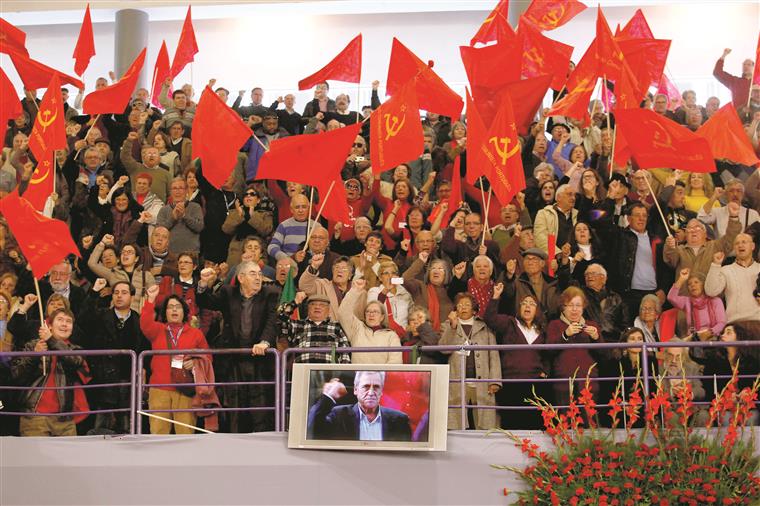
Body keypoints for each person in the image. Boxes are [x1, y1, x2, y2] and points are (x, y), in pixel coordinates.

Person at [196, 261, 280, 432]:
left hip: (259, 361)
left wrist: (265, 342)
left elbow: (272, 322)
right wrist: (203, 283)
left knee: (260, 411)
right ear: (241, 278)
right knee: (235, 410)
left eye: (259, 274)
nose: (258, 278)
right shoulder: (228, 292)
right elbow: (206, 302)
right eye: (252, 274)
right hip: (233, 362)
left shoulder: (270, 294)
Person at [79, 279, 149, 434]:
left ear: (132, 296)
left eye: (124, 293)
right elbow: (83, 318)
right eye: (116, 292)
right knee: (101, 430)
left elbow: (145, 348)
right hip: (104, 381)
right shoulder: (101, 316)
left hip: (128, 380)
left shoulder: (140, 321)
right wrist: (94, 291)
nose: (119, 296)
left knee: (127, 429)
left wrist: (142, 369)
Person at [140, 285, 209, 434]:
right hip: (159, 388)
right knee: (158, 433)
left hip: (185, 390)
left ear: (184, 311)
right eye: (170, 307)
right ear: (165, 312)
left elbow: (208, 358)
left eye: (178, 307)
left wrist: (196, 362)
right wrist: (150, 300)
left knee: (185, 433)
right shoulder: (158, 330)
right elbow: (145, 324)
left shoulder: (196, 334)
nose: (174, 310)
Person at [11, 308, 90, 437]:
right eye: (60, 320)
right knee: (36, 457)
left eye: (68, 321)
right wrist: (34, 355)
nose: (64, 324)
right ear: (50, 326)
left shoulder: (75, 349)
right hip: (35, 417)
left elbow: (75, 361)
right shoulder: (33, 346)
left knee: (68, 457)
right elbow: (17, 374)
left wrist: (51, 340)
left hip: (64, 419)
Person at [484, 288, 548, 430]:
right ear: (519, 308)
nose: (527, 306)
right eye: (524, 303)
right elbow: (490, 318)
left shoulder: (542, 330)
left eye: (531, 304)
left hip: (534, 383)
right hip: (511, 382)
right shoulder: (510, 323)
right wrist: (495, 296)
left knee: (533, 422)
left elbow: (547, 355)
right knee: (512, 423)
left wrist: (545, 371)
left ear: (537, 310)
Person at [440, 293, 501, 430]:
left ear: (474, 309)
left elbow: (494, 354)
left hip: (483, 382)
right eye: (460, 305)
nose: (463, 307)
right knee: (457, 423)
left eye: (467, 305)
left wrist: (495, 381)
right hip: (457, 382)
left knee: (484, 423)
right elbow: (444, 349)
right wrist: (453, 327)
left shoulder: (485, 327)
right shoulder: (448, 325)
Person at [307, 371, 411, 441]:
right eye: (366, 386)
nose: (371, 392)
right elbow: (311, 429)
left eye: (376, 387)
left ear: (381, 391)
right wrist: (329, 396)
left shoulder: (400, 420)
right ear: (356, 390)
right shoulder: (339, 415)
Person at [546, 287, 604, 408]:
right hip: (563, 383)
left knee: (589, 423)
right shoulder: (554, 325)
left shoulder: (592, 325)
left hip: (589, 383)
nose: (574, 309)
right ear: (563, 307)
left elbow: (604, 355)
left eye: (578, 305)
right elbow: (548, 351)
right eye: (570, 305)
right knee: (565, 423)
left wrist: (596, 338)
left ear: (583, 308)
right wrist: (565, 335)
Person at [337, 279, 402, 364]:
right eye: (368, 311)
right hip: (358, 375)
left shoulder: (391, 335)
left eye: (375, 312)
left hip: (381, 376)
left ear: (382, 317)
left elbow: (395, 361)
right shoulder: (357, 328)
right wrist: (355, 290)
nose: (371, 314)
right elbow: (343, 312)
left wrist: (380, 375)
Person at [278, 293, 351, 364]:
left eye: (322, 305)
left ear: (328, 310)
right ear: (308, 308)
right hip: (302, 371)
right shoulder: (298, 325)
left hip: (330, 372)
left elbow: (345, 351)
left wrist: (341, 373)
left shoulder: (337, 326)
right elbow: (280, 316)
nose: (317, 307)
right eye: (313, 304)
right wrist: (295, 302)